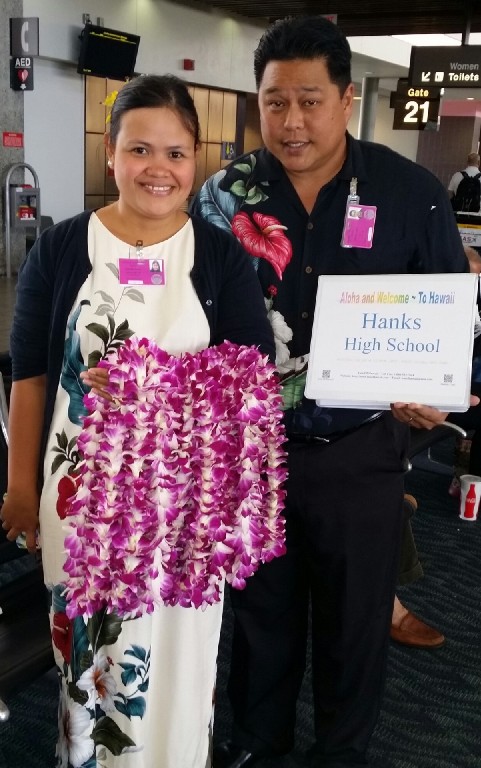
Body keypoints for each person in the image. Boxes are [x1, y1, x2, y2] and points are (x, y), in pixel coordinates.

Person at [191, 16, 471, 768]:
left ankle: (341, 753)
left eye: (309, 100)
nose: (291, 121)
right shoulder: (223, 197)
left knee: (352, 624)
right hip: (253, 452)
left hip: (359, 450)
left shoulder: (409, 192)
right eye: (274, 101)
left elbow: (448, 309)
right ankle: (256, 742)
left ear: (346, 98)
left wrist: (436, 391)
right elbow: (192, 311)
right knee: (259, 614)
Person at [0, 74, 275, 768]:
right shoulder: (61, 250)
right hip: (82, 497)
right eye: (140, 149)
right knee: (88, 655)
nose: (159, 169)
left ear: (197, 159)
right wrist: (21, 489)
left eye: (177, 154)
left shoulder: (218, 260)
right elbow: (30, 379)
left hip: (185, 502)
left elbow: (252, 384)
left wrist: (155, 390)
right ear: (112, 156)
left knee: (181, 654)